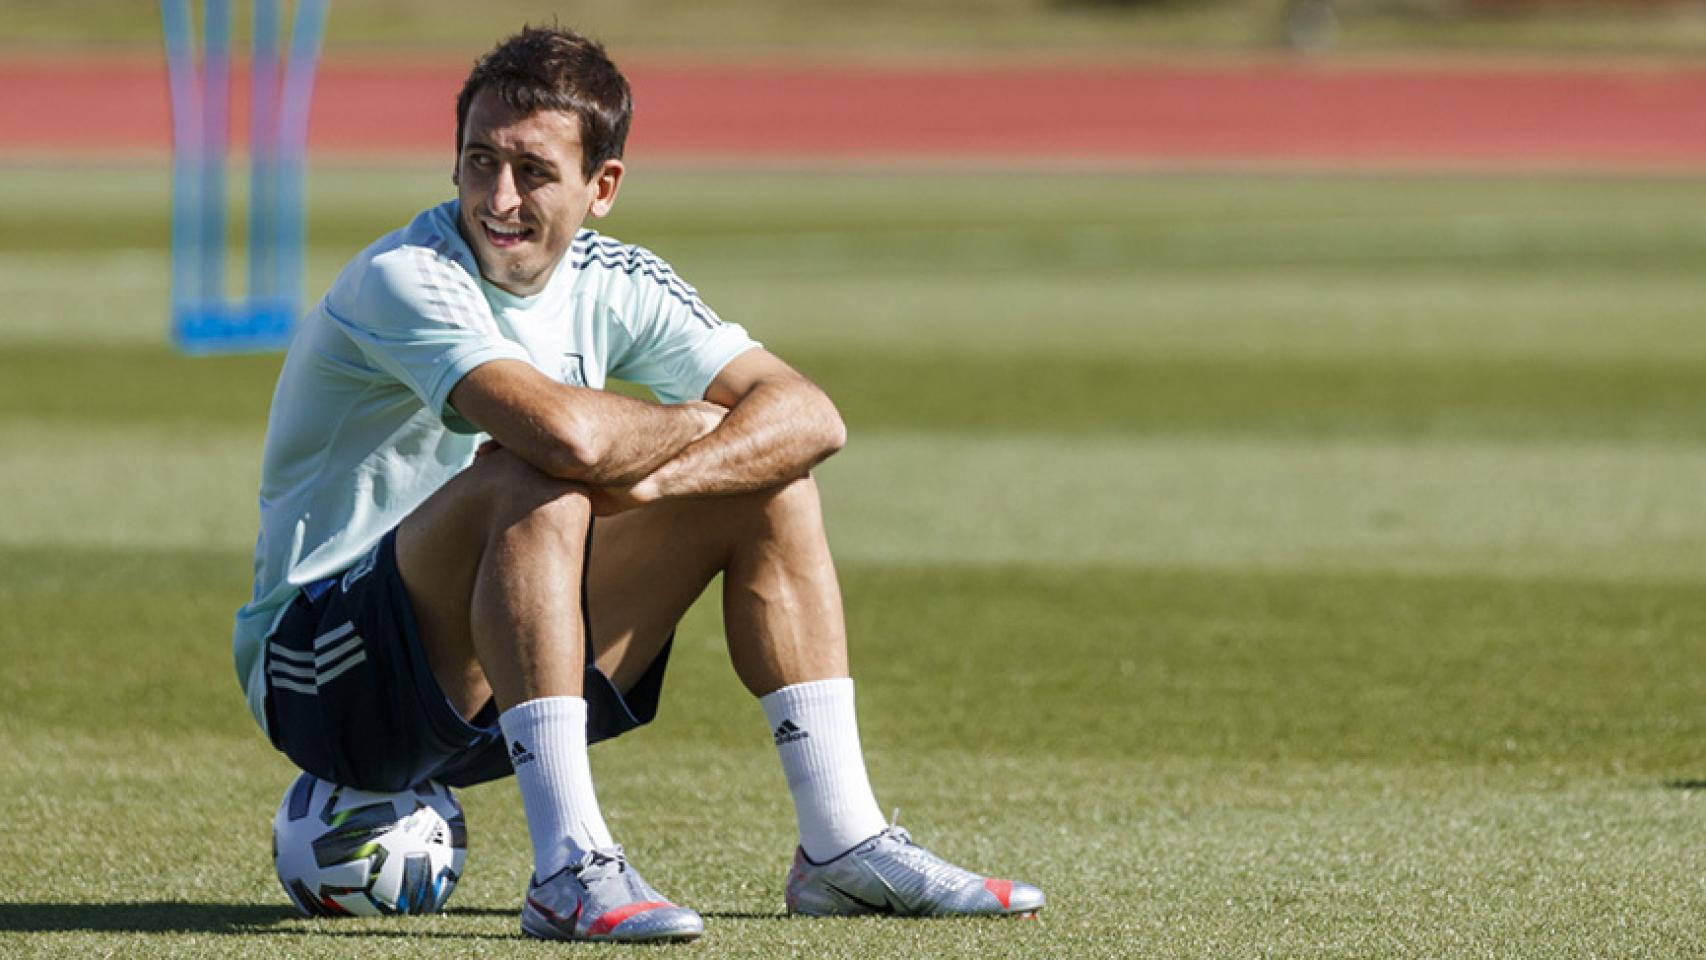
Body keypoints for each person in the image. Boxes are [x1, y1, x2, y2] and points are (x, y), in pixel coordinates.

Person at [232, 25, 1043, 943]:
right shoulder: (408, 278)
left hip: (486, 667)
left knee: (766, 480)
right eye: (478, 162)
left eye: (533, 172)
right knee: (533, 480)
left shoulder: (619, 279)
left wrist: (658, 484)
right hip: (322, 673)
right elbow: (565, 436)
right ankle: (570, 867)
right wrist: (690, 431)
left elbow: (811, 418)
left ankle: (841, 846)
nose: (498, 198)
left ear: (601, 187)